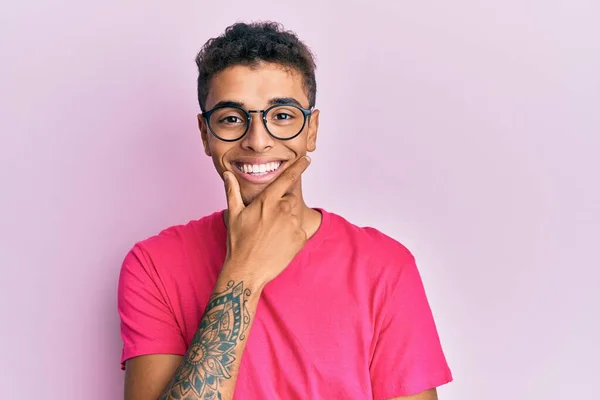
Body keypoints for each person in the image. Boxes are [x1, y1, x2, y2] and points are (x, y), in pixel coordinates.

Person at [117, 21, 453, 400]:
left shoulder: (385, 266)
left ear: (311, 130)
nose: (257, 141)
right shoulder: (153, 264)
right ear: (205, 134)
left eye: (282, 116)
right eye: (231, 118)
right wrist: (243, 273)